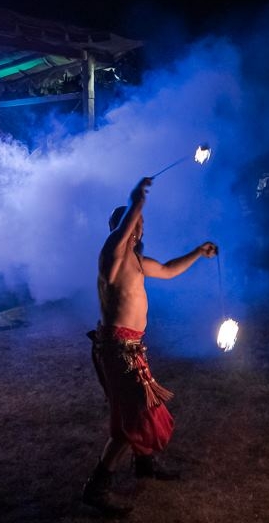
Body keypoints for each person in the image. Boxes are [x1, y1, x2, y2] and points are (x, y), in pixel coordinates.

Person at [83, 177, 217, 516]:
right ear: (120, 228)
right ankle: (97, 487)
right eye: (134, 223)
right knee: (134, 418)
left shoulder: (137, 262)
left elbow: (169, 270)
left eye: (142, 224)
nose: (140, 228)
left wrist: (198, 252)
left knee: (138, 410)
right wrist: (137, 200)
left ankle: (145, 463)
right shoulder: (112, 257)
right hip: (117, 350)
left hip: (131, 348)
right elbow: (125, 225)